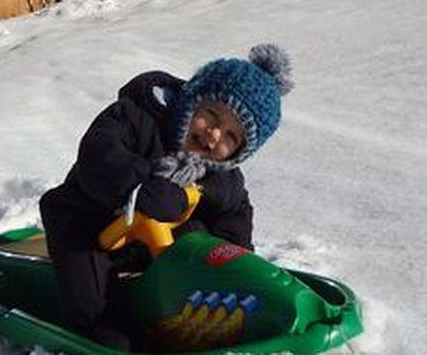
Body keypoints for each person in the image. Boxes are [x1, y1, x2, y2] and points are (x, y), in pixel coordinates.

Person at [38, 44, 293, 350]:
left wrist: (235, 272)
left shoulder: (221, 178)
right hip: (87, 225)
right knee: (91, 297)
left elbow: (234, 215)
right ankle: (107, 332)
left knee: (199, 237)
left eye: (231, 136)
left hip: (148, 245)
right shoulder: (136, 118)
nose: (214, 135)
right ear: (192, 99)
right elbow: (98, 155)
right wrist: (140, 186)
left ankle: (180, 315)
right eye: (211, 114)